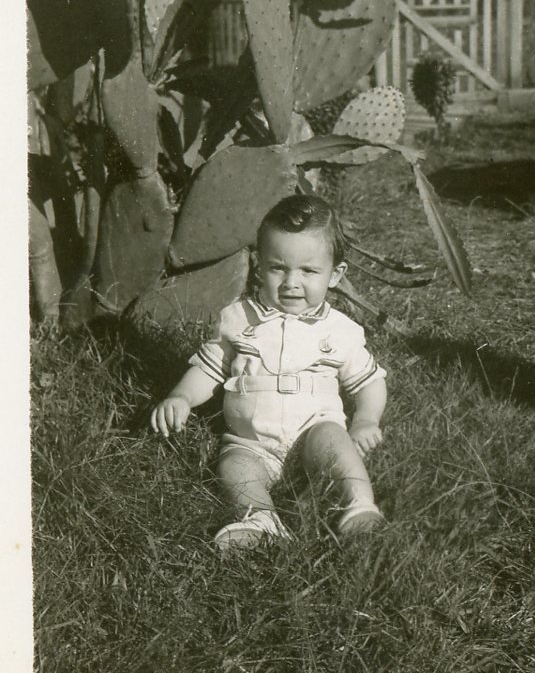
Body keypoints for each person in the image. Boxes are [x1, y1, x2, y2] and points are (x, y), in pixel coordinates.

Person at [151, 194, 387, 551]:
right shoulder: (238, 318)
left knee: (334, 441)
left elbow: (370, 381)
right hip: (252, 441)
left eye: (308, 271)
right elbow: (210, 368)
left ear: (335, 275)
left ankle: (359, 504)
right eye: (278, 268)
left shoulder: (340, 331)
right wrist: (181, 396)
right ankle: (259, 518)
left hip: (314, 430)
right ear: (259, 266)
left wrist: (366, 420)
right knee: (234, 464)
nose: (292, 282)